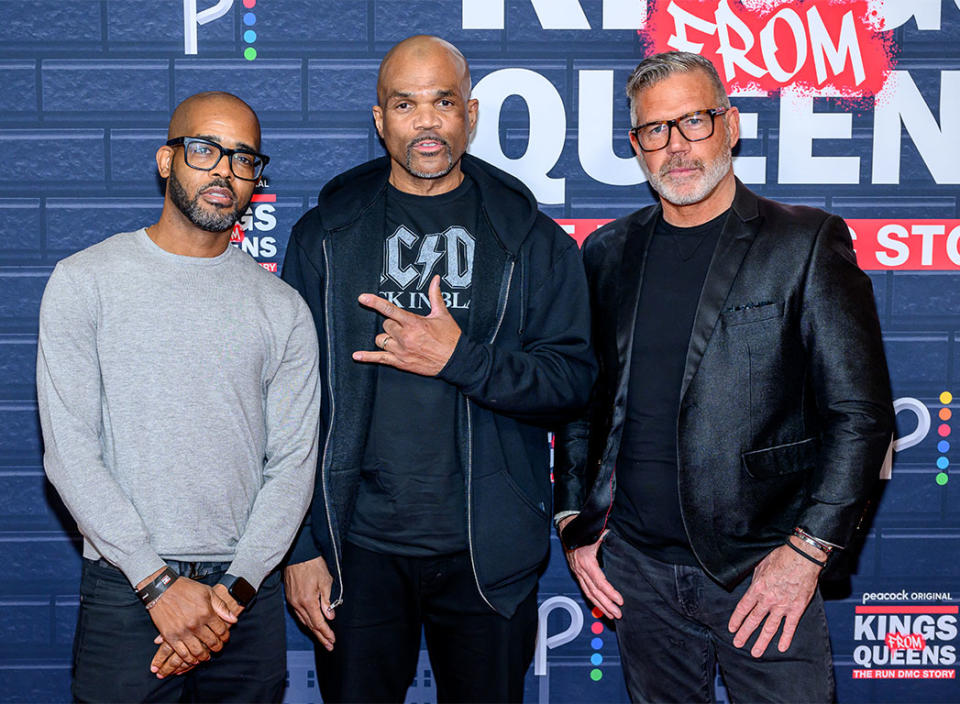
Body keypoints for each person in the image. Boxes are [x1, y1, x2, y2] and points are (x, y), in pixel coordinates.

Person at [554, 51, 894, 703]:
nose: (676, 146)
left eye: (694, 122)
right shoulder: (606, 253)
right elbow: (582, 401)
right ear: (637, 145)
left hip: (763, 570)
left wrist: (806, 552)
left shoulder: (805, 242)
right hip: (638, 573)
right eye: (656, 130)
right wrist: (577, 521)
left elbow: (862, 416)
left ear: (730, 126)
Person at [281, 35, 595, 703]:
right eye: (406, 104)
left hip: (489, 554)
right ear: (379, 119)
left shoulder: (530, 240)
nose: (427, 122)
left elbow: (570, 382)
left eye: (443, 102)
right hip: (355, 550)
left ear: (471, 114)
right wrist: (302, 546)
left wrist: (460, 360)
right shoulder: (325, 238)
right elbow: (286, 404)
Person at [37, 91, 320, 703]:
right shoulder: (85, 281)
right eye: (205, 149)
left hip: (246, 596)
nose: (224, 169)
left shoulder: (283, 309)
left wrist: (234, 593)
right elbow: (69, 454)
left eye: (243, 158)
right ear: (167, 161)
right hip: (125, 584)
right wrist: (156, 583)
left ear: (256, 179)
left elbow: (295, 463)